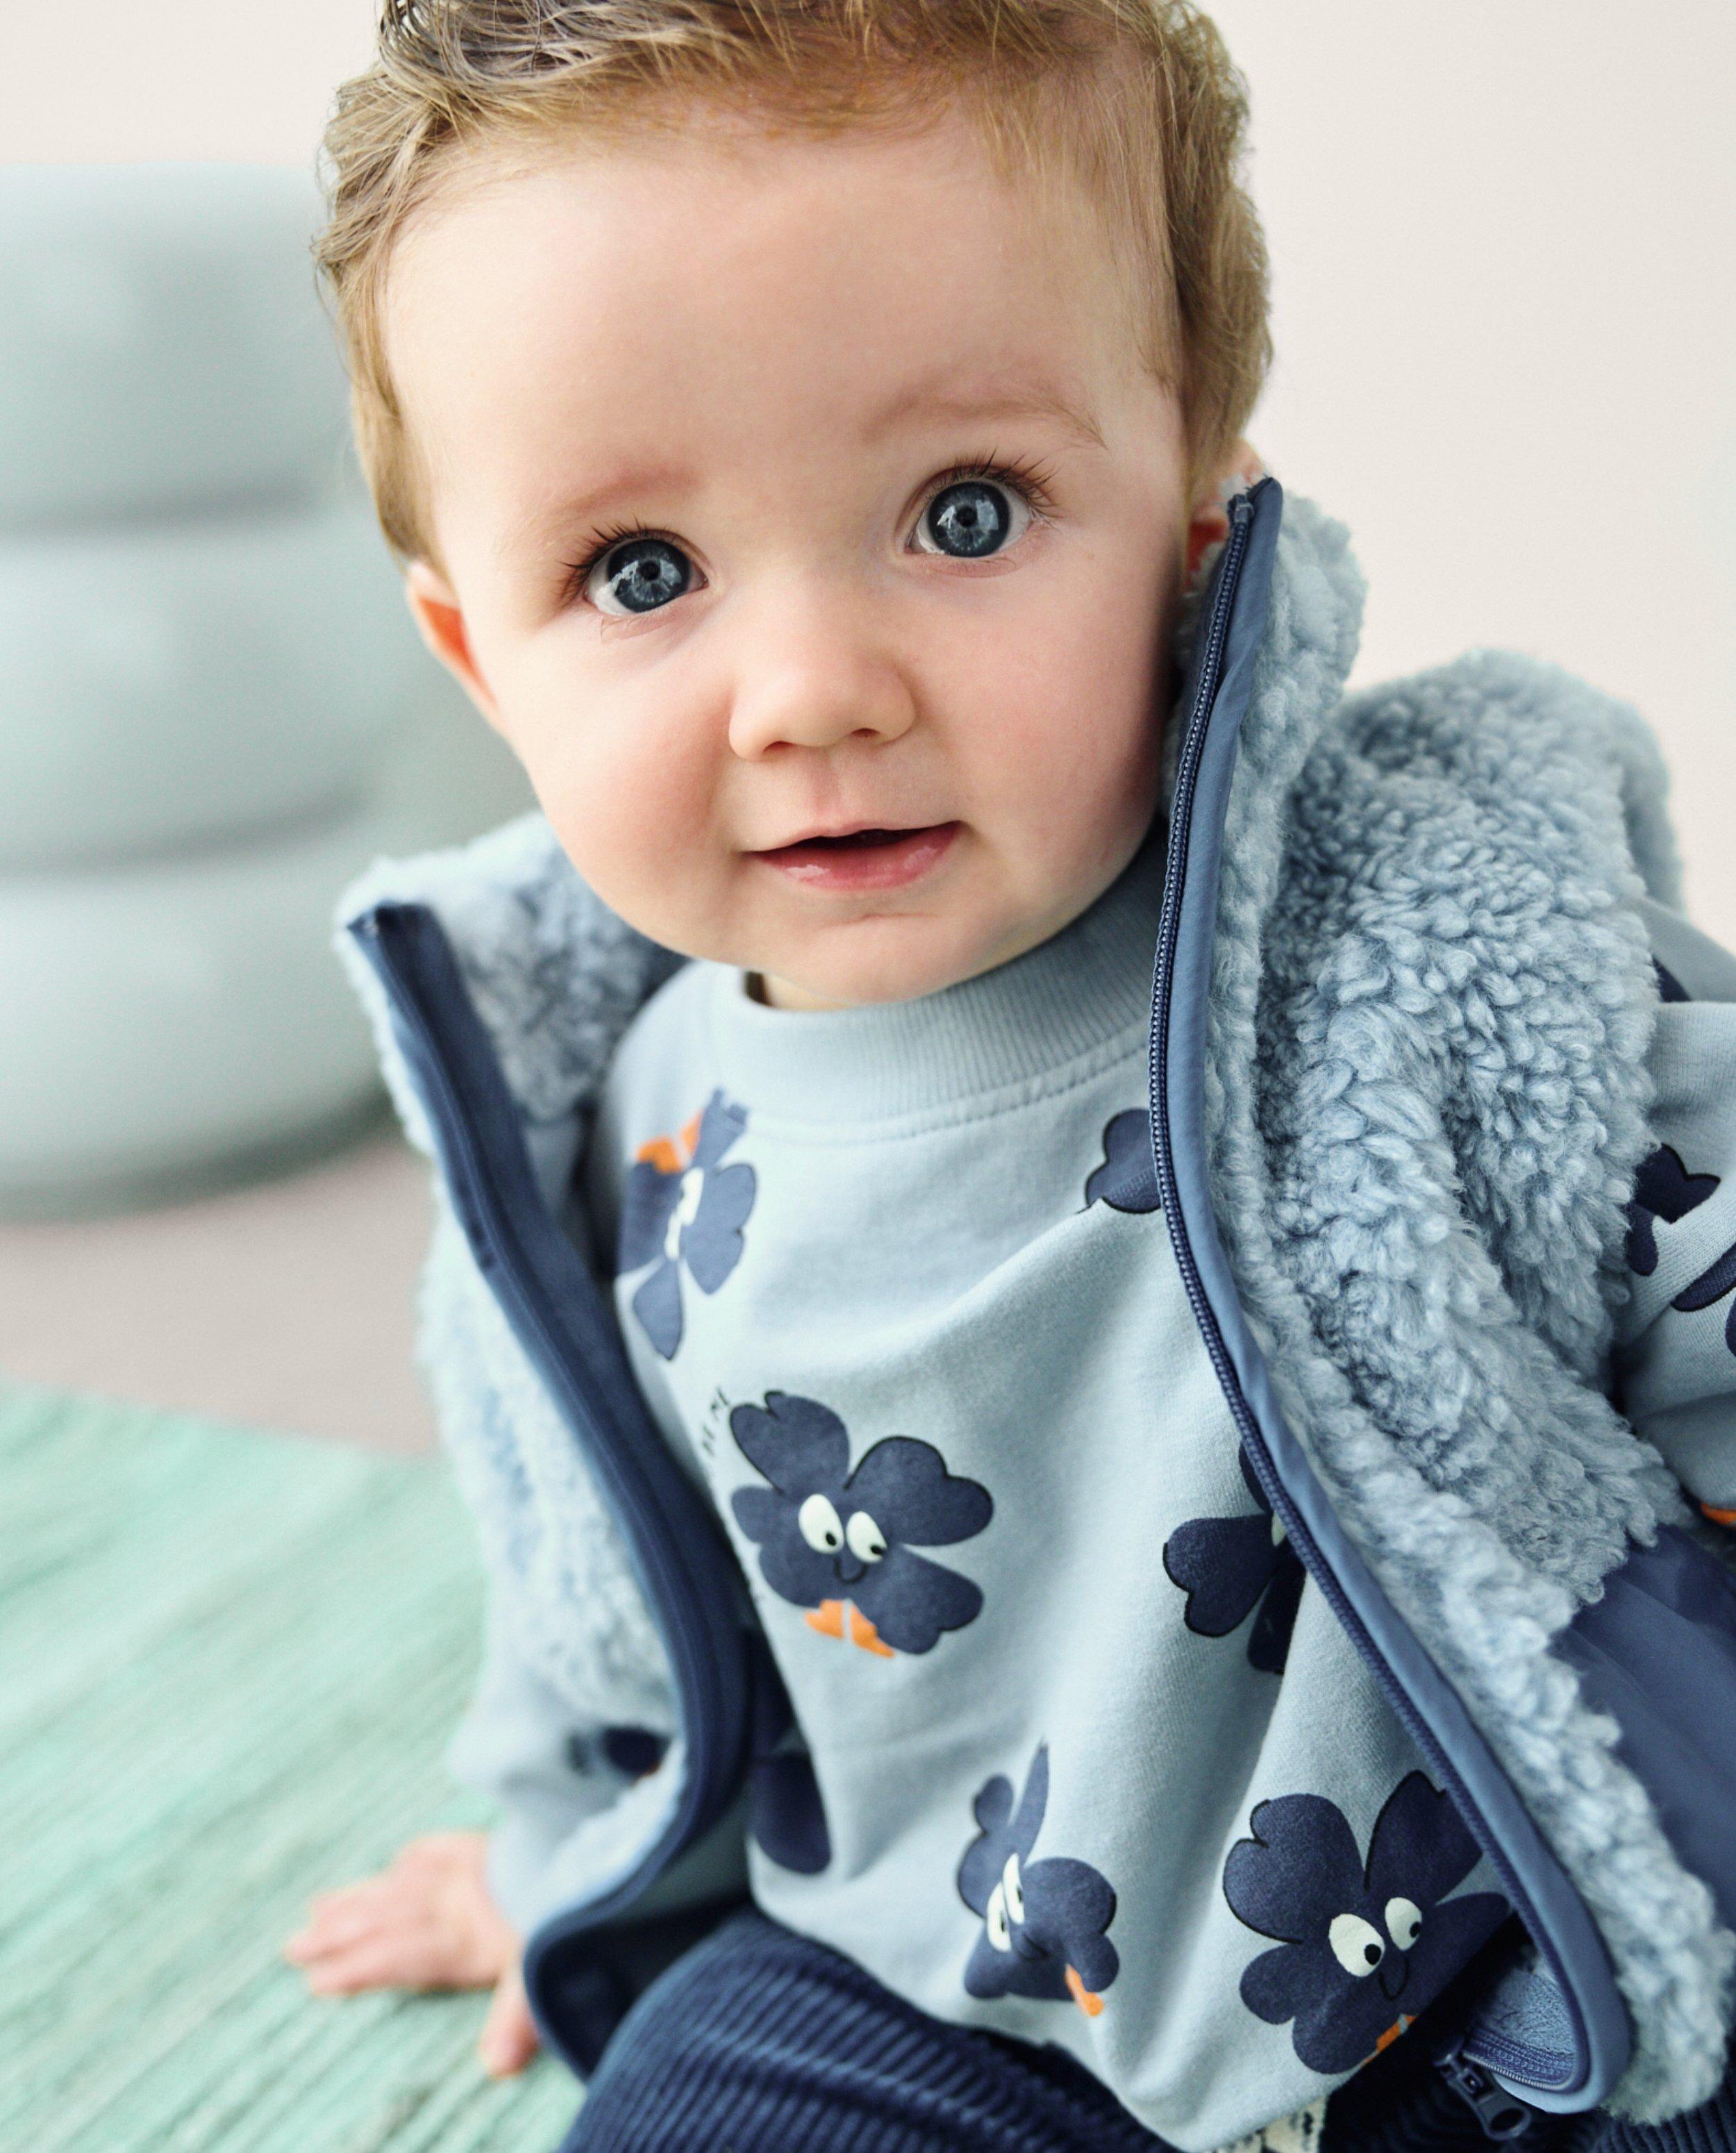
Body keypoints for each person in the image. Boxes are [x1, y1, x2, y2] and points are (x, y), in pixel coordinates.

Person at [283, 4, 1736, 2147]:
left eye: (963, 512)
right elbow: (605, 1586)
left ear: (1197, 514)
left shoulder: (1434, 946)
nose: (809, 691)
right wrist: (551, 1857)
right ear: (481, 654)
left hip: (1514, 1977)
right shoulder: (597, 1108)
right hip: (938, 1984)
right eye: (642, 572)